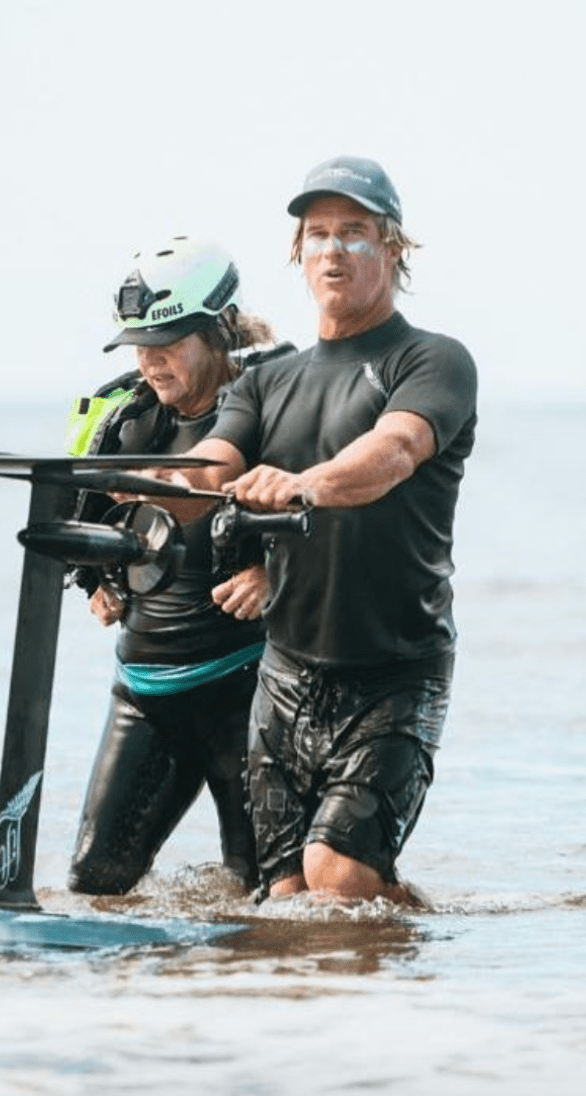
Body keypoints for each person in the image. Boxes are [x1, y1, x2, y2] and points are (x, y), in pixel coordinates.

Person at [185, 156, 478, 902]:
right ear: (298, 253)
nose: (333, 250)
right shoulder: (265, 381)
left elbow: (396, 450)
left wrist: (303, 485)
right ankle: (331, 1012)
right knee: (283, 899)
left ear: (392, 250)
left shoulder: (433, 360)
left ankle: (427, 967)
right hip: (285, 672)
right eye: (317, 234)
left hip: (395, 669)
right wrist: (136, 487)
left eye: (354, 232)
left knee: (336, 876)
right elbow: (208, 470)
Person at [63, 235, 290, 896]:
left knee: (268, 899)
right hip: (146, 691)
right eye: (140, 345)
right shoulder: (126, 419)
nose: (151, 362)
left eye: (168, 343)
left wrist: (275, 575)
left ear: (219, 331)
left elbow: (338, 518)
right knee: (95, 884)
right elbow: (86, 519)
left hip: (250, 692)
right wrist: (96, 581)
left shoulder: (274, 405)